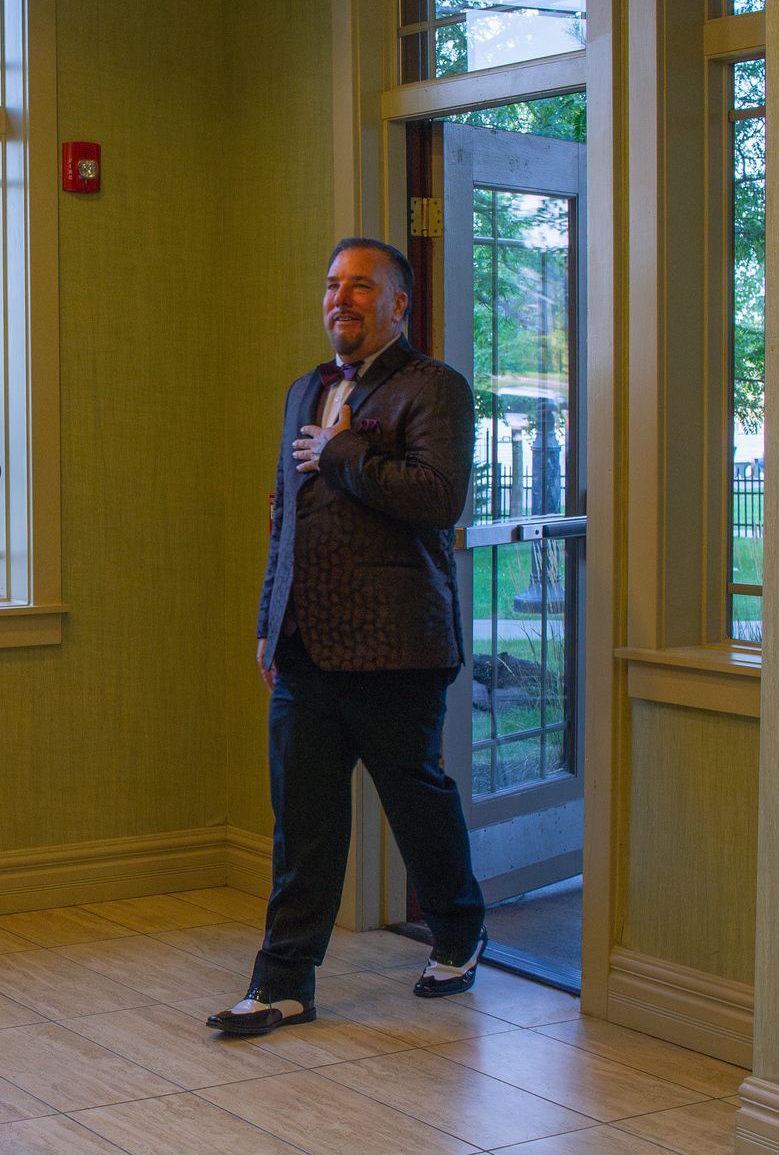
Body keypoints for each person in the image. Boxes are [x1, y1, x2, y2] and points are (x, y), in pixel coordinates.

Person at [208, 236, 487, 1036]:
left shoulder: (436, 388)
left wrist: (343, 453)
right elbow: (283, 517)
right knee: (304, 822)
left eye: (363, 286)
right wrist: (270, 619)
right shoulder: (304, 389)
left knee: (416, 806)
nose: (343, 298)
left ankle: (460, 933)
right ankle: (282, 983)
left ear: (400, 304)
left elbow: (438, 499)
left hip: (398, 646)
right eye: (334, 284)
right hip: (303, 646)